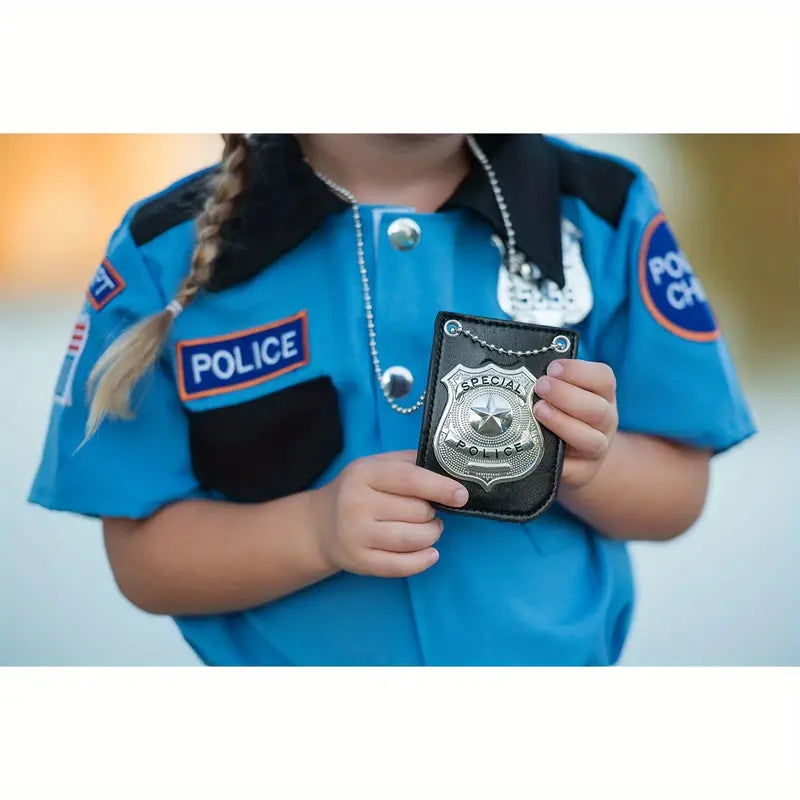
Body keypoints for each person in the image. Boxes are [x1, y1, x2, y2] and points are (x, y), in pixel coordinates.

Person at [29, 134, 755, 666]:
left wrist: (590, 463)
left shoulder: (602, 211)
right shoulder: (164, 252)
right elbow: (144, 560)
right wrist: (314, 531)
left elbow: (679, 492)